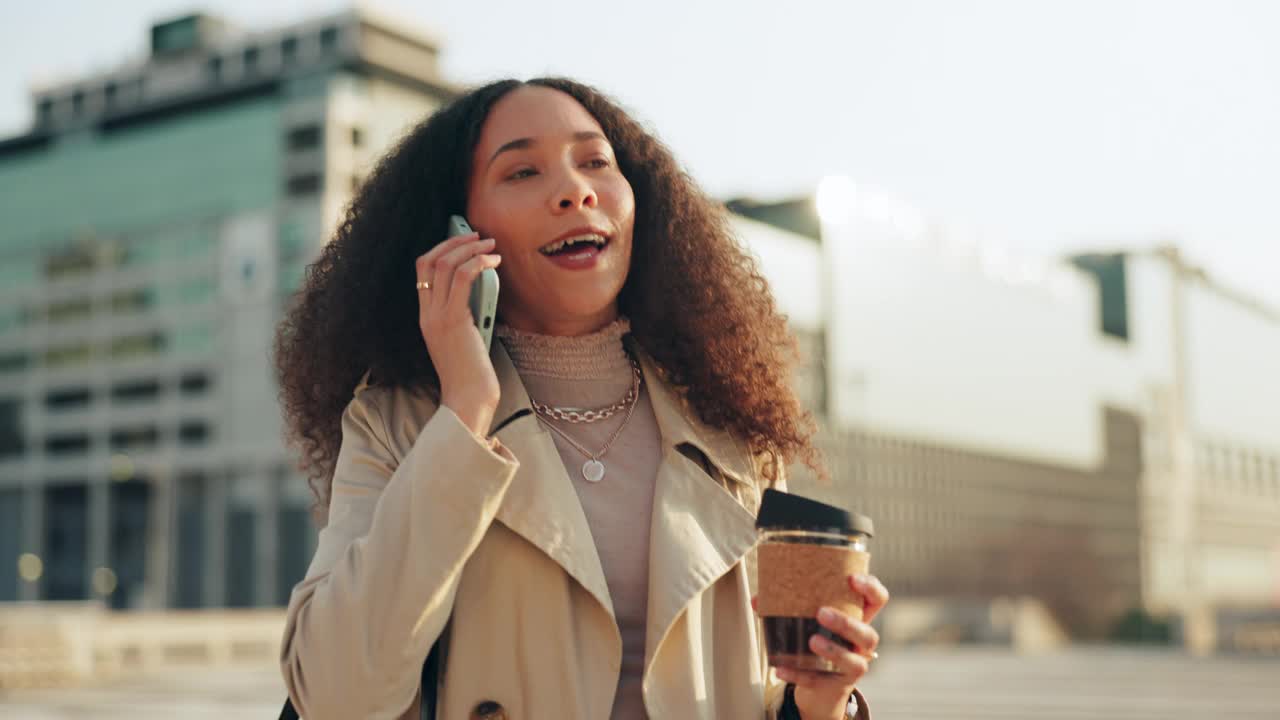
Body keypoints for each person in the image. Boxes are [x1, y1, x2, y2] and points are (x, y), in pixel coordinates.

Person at [274, 77, 890, 720]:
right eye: (521, 172)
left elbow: (761, 689)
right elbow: (337, 695)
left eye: (596, 161)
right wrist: (463, 409)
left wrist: (822, 702)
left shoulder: (731, 430)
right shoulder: (396, 424)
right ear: (458, 231)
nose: (575, 189)